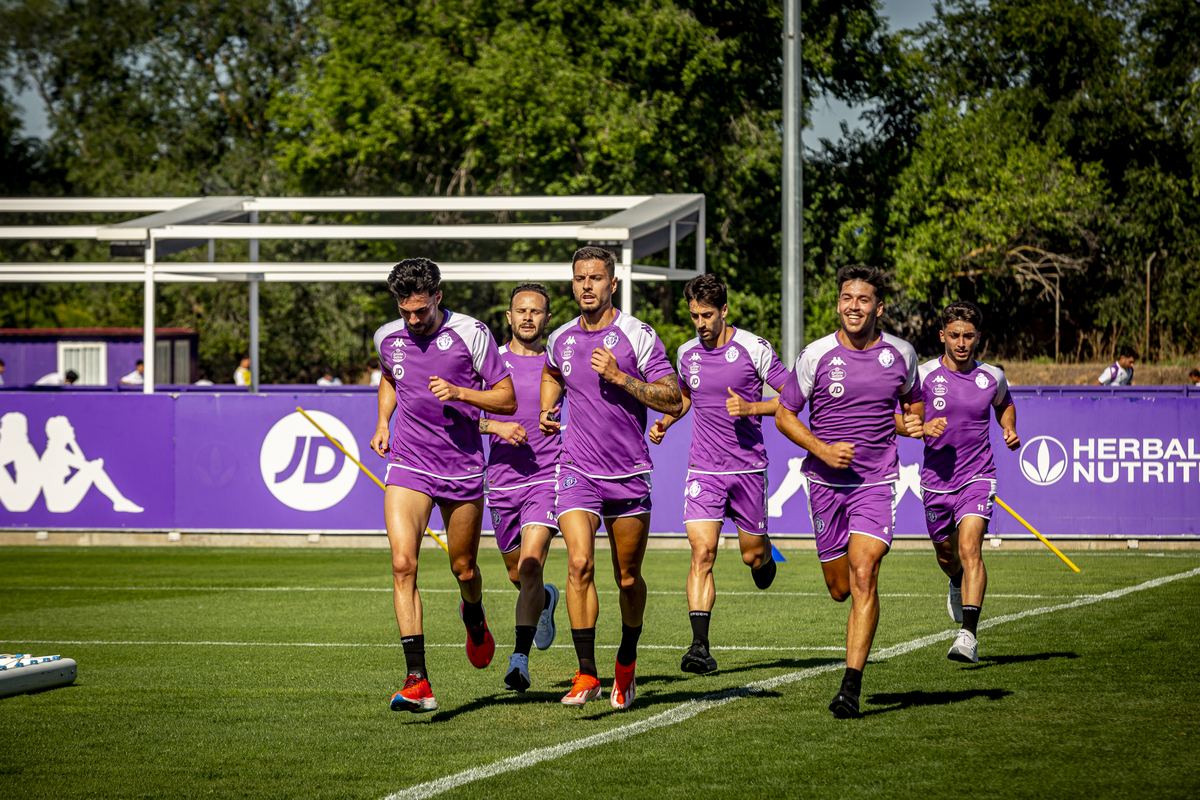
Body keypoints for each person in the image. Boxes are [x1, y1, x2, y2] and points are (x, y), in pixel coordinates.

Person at [774, 264, 924, 718]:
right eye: (846, 298)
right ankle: (851, 674)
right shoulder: (815, 354)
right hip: (823, 484)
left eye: (862, 300)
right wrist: (821, 449)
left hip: (876, 483)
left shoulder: (901, 353)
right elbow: (785, 415)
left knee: (864, 575)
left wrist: (913, 421)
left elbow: (912, 401)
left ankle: (850, 687)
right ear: (838, 303)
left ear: (879, 307)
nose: (853, 307)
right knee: (839, 588)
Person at [369, 258, 516, 714]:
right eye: (405, 310)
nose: (412, 320)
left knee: (464, 568)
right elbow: (391, 377)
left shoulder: (472, 335)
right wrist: (382, 422)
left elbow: (506, 398)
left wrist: (462, 393)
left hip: (463, 469)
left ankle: (474, 615)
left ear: (437, 297)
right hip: (409, 464)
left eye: (421, 311)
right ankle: (418, 681)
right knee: (402, 564)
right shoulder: (387, 337)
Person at [540, 246, 682, 710]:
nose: (586, 285)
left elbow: (672, 398)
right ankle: (586, 674)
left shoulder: (638, 336)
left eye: (596, 278)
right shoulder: (560, 337)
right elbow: (551, 371)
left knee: (627, 577)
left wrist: (621, 378)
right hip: (576, 468)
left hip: (628, 472)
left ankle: (626, 662)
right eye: (579, 278)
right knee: (579, 564)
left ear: (612, 284)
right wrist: (548, 407)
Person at [647, 274, 790, 674]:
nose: (700, 323)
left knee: (751, 556)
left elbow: (790, 398)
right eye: (694, 315)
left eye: (707, 315)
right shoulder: (687, 353)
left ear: (724, 310)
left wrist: (751, 409)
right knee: (702, 552)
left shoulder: (754, 349)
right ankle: (699, 647)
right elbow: (686, 397)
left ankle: (764, 558)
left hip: (748, 469)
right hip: (703, 469)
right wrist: (665, 422)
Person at [919, 301, 1019, 665]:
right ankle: (956, 580)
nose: (962, 343)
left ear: (978, 338)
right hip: (935, 482)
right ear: (942, 335)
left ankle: (968, 636)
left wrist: (1008, 427)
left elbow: (1004, 403)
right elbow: (898, 418)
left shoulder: (992, 376)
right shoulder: (923, 375)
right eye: (955, 335)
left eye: (969, 336)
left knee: (970, 548)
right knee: (948, 556)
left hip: (978, 477)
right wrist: (920, 427)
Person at [479, 283, 561, 693]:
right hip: (502, 482)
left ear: (547, 318)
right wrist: (496, 425)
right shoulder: (489, 363)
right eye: (520, 311)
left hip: (548, 477)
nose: (528, 317)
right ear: (509, 317)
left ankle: (519, 661)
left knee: (530, 564)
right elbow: (464, 414)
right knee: (518, 573)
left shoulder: (558, 363)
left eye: (536, 311)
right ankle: (544, 599)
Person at [41, 415, 144, 513]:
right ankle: (120, 501)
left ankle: (120, 501)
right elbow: (84, 465)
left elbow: (80, 459)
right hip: (60, 503)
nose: (72, 429)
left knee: (93, 468)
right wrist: (95, 465)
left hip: (57, 503)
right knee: (94, 469)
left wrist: (72, 441)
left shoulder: (56, 451)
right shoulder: (57, 453)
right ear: (61, 432)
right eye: (68, 427)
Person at [0, 412, 42, 512]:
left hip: (18, 501)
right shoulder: (23, 446)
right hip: (20, 500)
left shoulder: (20, 447)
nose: (1, 430)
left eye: (3, 427)